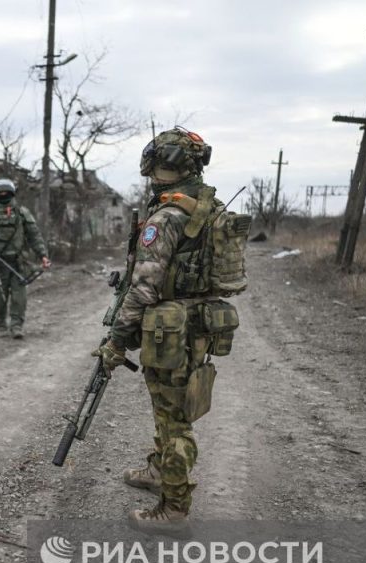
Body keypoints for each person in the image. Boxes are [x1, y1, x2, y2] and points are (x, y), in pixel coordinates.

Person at [93, 127, 249, 535]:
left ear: (162, 162)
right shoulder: (204, 206)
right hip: (194, 325)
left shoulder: (165, 217)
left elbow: (143, 287)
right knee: (169, 408)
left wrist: (115, 342)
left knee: (175, 420)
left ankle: (174, 508)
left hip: (171, 330)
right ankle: (160, 470)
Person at [0, 178, 51, 338]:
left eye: (7, 193)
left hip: (18, 262)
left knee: (20, 297)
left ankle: (16, 326)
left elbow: (34, 235)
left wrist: (43, 255)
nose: (4, 195)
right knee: (0, 297)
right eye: (1, 193)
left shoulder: (21, 212)